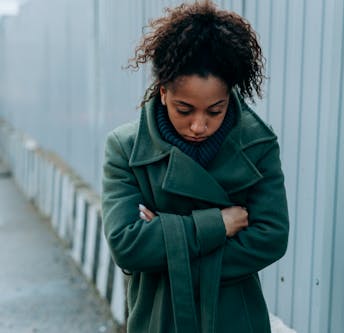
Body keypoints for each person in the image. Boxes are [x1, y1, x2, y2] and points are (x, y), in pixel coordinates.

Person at [101, 1, 289, 332]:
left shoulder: (257, 144)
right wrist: (218, 224)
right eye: (184, 110)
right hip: (159, 319)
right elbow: (127, 245)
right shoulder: (126, 149)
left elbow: (270, 237)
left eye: (214, 111)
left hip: (235, 319)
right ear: (162, 92)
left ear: (229, 97)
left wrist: (167, 239)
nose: (199, 126)